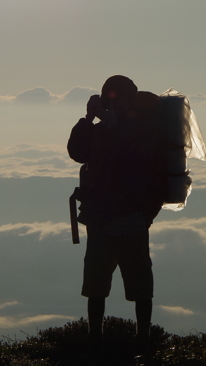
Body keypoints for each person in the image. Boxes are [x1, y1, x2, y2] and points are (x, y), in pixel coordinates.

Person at [67, 75, 164, 345]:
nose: (114, 103)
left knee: (140, 285)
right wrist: (88, 120)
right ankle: (95, 336)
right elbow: (78, 152)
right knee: (97, 286)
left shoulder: (142, 128)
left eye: (117, 97)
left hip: (129, 217)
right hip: (104, 218)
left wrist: (112, 125)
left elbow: (135, 155)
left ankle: (142, 338)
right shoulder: (100, 130)